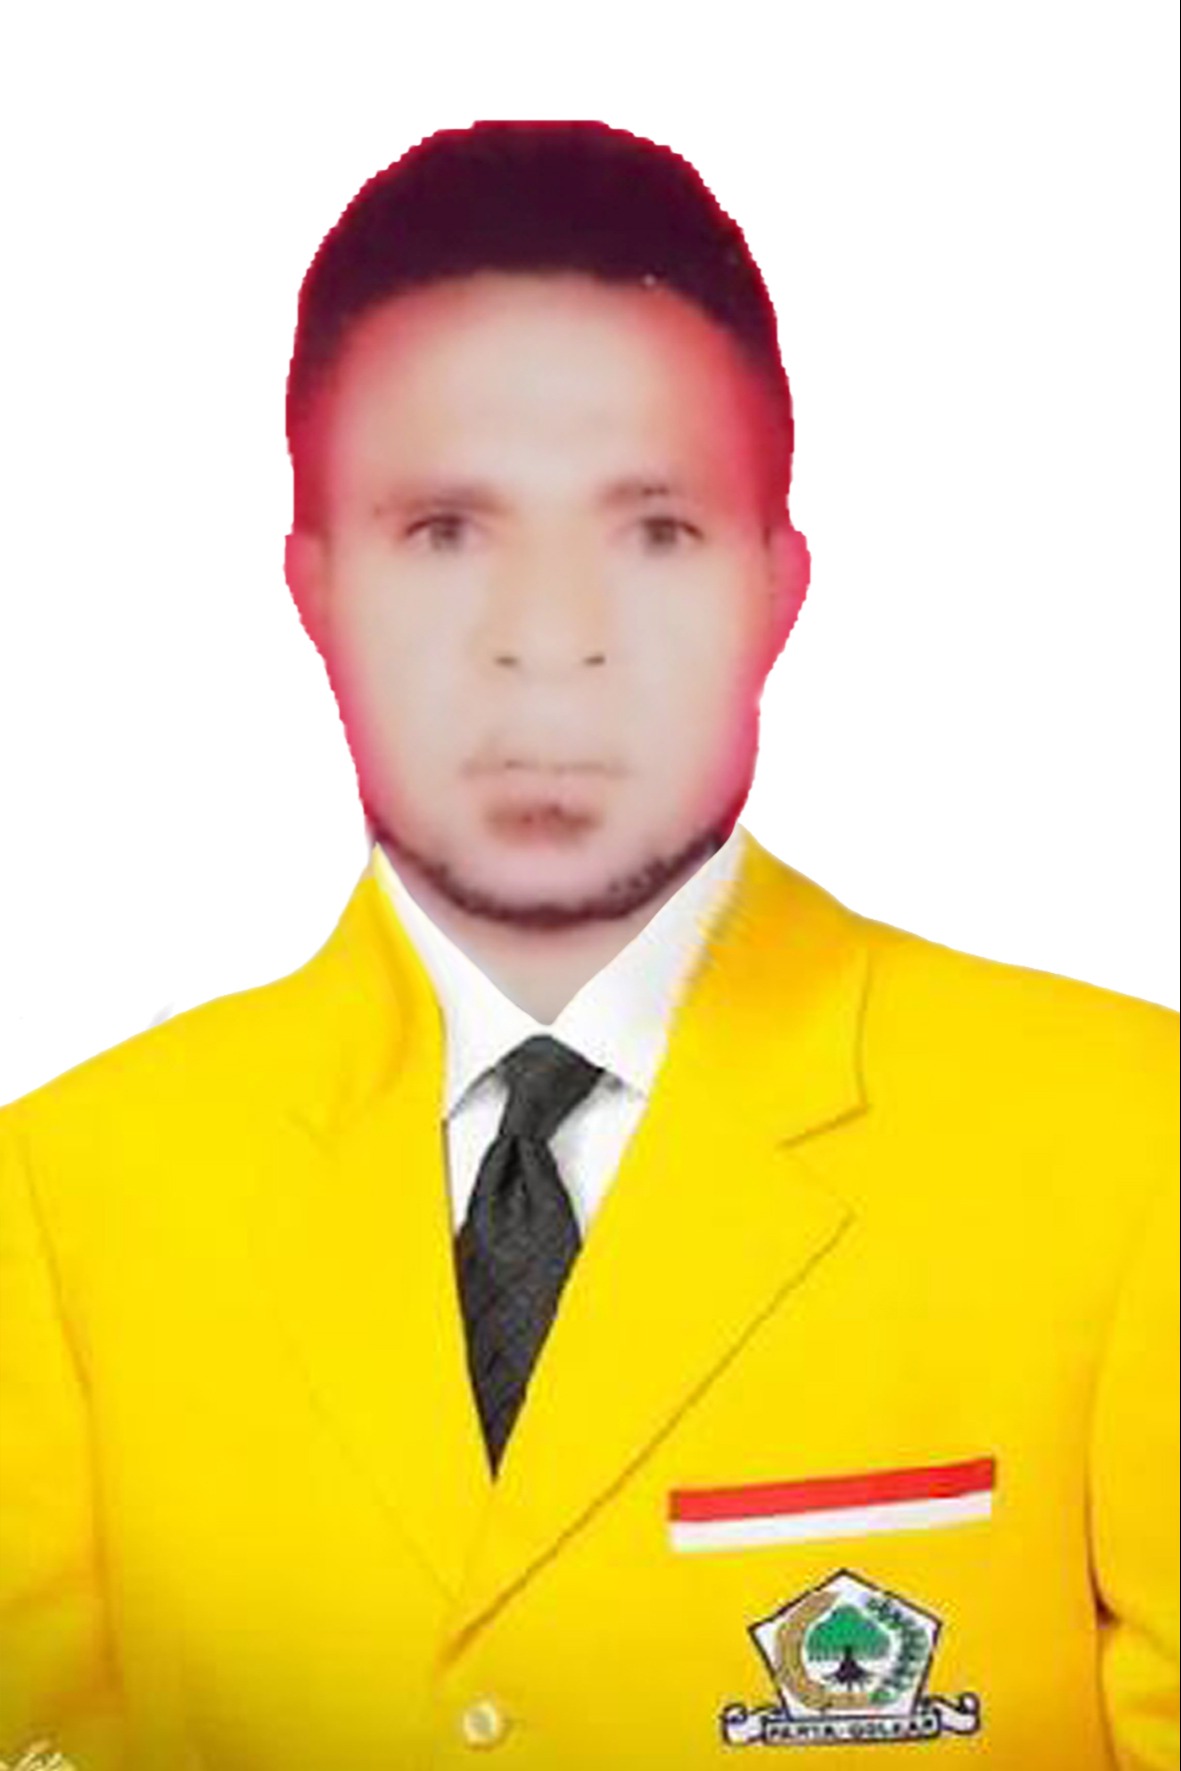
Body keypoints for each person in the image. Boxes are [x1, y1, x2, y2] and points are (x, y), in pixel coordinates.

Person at [0, 118, 1176, 1771]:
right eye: (443, 531)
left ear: (778, 586)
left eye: (655, 532)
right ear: (312, 591)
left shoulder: (1128, 1145)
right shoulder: (63, 1200)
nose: (549, 642)